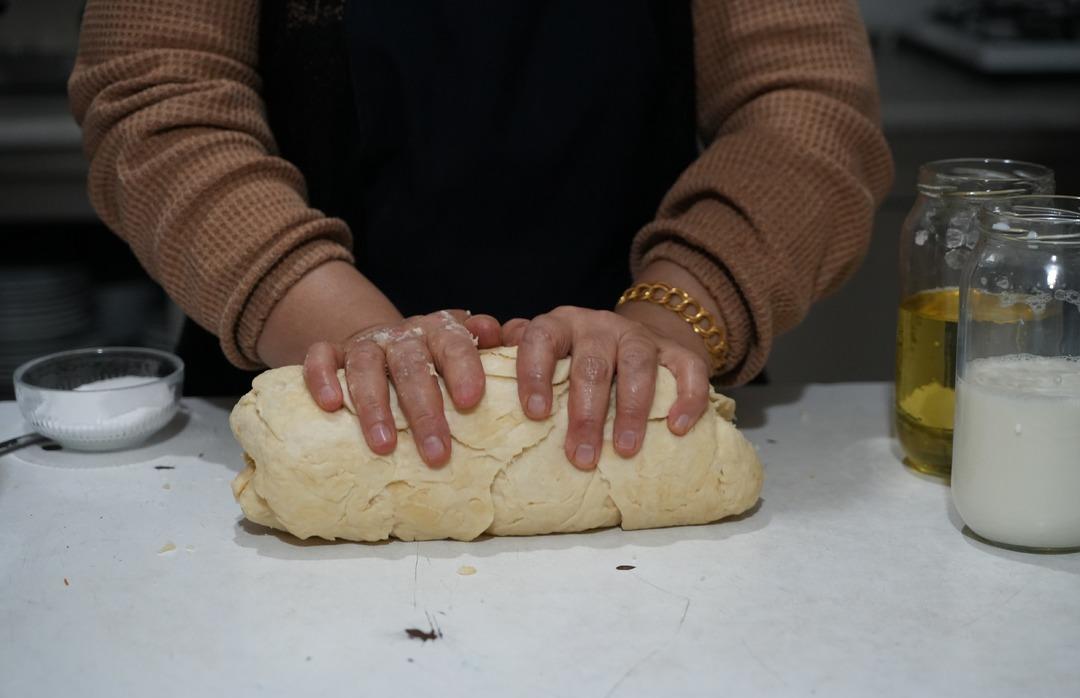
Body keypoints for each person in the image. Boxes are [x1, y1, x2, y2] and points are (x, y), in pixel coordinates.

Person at [69, 0, 892, 471]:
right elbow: (157, 96)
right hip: (302, 364)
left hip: (643, 385)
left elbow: (805, 111)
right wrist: (355, 334)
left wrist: (670, 319)